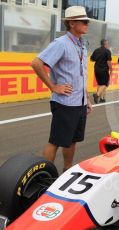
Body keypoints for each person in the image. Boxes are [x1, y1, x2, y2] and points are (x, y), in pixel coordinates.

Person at [31, 6, 92, 171]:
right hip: (65, 103)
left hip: (78, 102)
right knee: (56, 141)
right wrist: (53, 86)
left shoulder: (82, 45)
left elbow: (81, 74)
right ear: (72, 23)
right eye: (84, 21)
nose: (87, 24)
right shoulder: (61, 43)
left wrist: (86, 98)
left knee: (72, 140)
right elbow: (36, 63)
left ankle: (67, 171)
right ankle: (44, 176)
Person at [90, 39, 113, 104]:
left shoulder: (96, 50)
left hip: (96, 69)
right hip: (104, 70)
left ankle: (101, 98)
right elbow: (109, 62)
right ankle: (97, 95)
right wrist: (111, 69)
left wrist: (98, 59)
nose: (108, 45)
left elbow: (91, 59)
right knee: (105, 84)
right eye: (107, 44)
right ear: (105, 44)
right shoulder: (107, 51)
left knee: (100, 84)